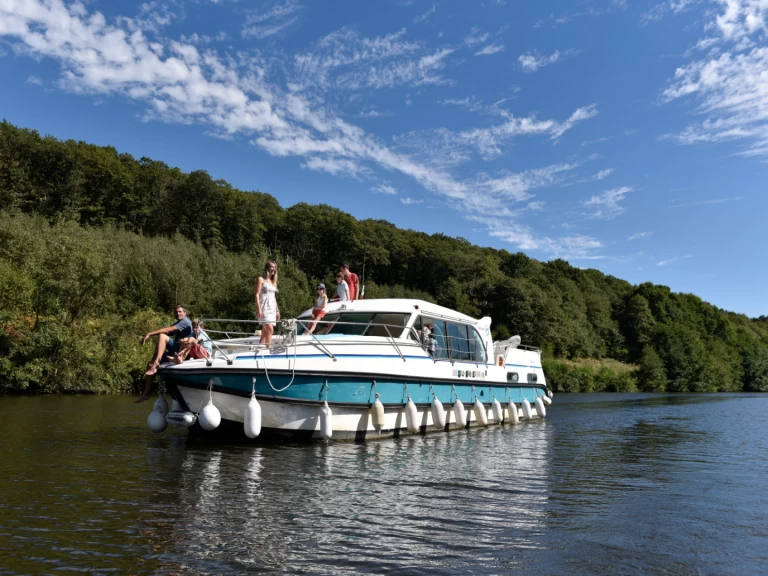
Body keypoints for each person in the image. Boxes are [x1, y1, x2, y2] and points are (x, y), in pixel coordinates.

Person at [135, 305, 193, 403]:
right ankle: (146, 393)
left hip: (181, 351)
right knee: (149, 364)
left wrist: (150, 333)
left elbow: (167, 331)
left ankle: (156, 363)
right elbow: (168, 331)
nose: (177, 313)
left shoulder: (186, 322)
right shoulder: (178, 323)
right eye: (176, 312)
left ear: (185, 313)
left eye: (180, 312)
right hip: (174, 349)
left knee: (162, 335)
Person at [255, 260, 280, 346]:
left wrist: (277, 311)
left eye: (274, 267)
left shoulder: (273, 283)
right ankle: (268, 349)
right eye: (272, 267)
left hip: (272, 308)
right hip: (264, 307)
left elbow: (274, 297)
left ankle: (260, 347)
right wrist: (259, 309)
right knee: (270, 329)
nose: (273, 269)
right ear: (267, 268)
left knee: (265, 331)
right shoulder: (261, 279)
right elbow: (257, 295)